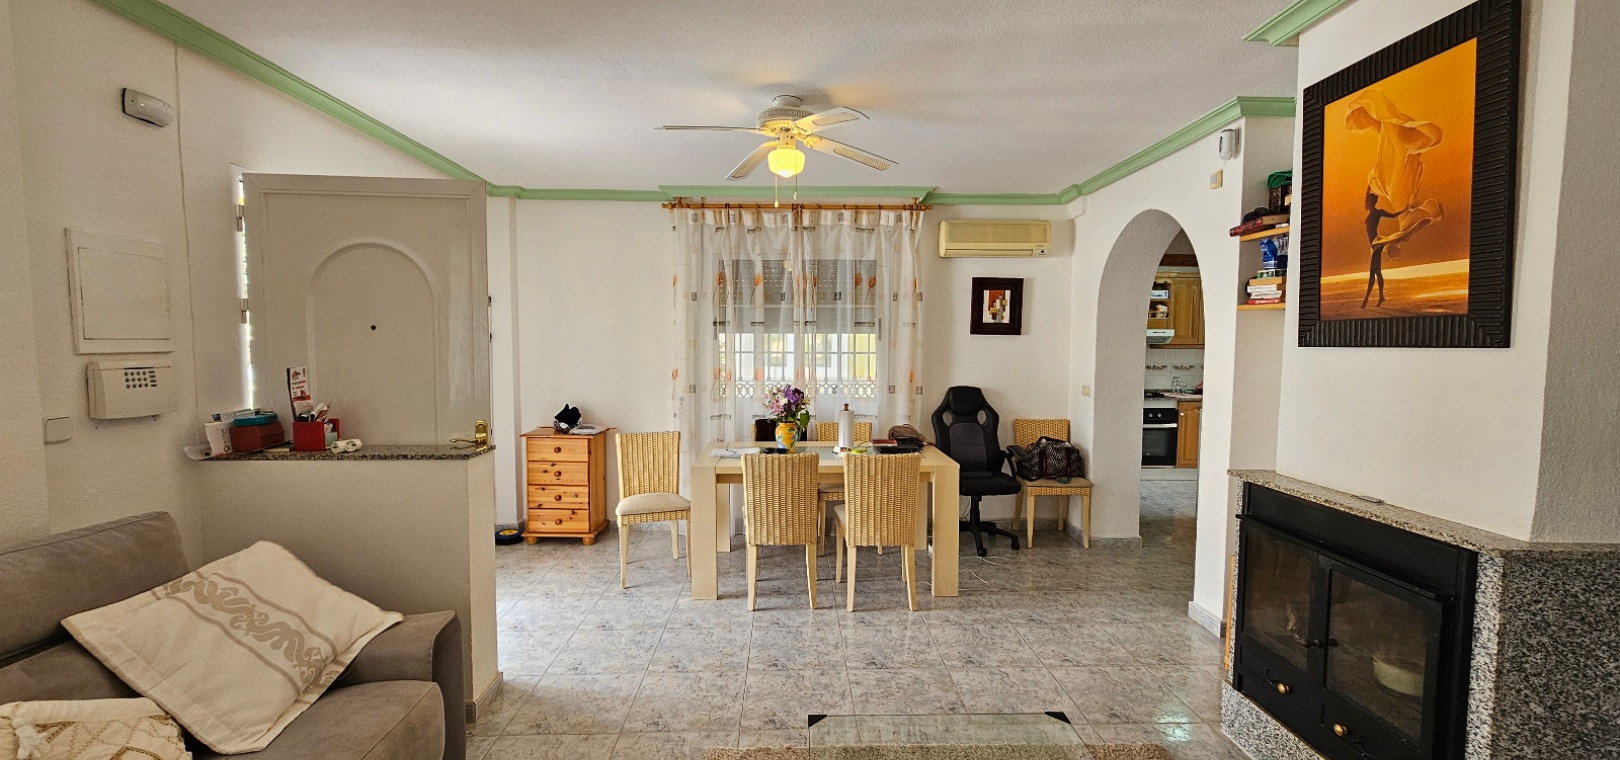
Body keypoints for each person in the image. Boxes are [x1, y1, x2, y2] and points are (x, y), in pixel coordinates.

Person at [1362, 190, 1398, 308]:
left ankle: (1366, 300)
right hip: (1373, 246)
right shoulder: (1371, 211)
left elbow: (1393, 216)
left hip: (1377, 244)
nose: (1366, 203)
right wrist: (1369, 184)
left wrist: (1405, 210)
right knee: (1377, 272)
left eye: (1368, 201)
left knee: (1373, 273)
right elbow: (1366, 196)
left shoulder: (1378, 212)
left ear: (1371, 202)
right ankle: (1381, 296)